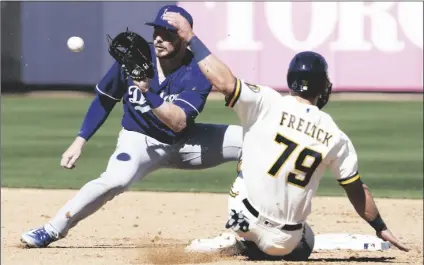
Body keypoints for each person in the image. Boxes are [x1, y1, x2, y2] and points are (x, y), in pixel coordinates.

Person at [163, 11, 410, 260]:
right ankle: (262, 247)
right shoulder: (336, 136)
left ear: (291, 79)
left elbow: (225, 83)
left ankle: (240, 235)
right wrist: (380, 227)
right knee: (307, 240)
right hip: (285, 242)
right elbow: (357, 190)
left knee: (247, 152)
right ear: (323, 87)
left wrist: (191, 37)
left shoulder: (267, 101)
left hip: (246, 216)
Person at [20, 5, 242, 248]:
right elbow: (105, 98)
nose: (159, 38)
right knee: (114, 181)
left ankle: (249, 228)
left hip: (186, 142)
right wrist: (80, 139)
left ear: (183, 37)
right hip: (139, 140)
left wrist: (148, 92)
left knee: (252, 142)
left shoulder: (198, 71)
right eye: (157, 31)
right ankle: (51, 229)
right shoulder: (136, 56)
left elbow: (178, 123)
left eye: (168, 33)